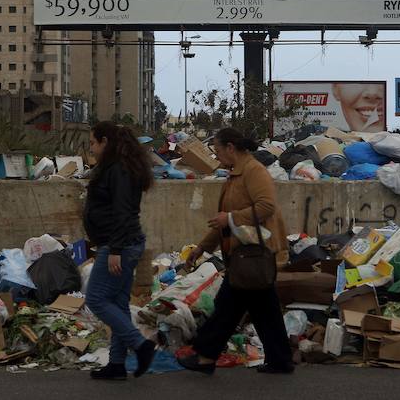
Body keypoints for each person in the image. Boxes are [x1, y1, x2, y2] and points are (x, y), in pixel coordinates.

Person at [178, 128, 293, 375]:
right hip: (244, 254)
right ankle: (280, 360)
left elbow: (266, 206)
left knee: (228, 308)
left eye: (218, 151)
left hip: (253, 254)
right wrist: (202, 247)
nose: (217, 157)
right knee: (264, 310)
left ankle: (206, 356)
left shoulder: (253, 171)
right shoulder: (235, 175)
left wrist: (230, 217)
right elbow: (222, 223)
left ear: (231, 148)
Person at [84, 121, 157, 380]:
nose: (91, 148)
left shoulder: (120, 170)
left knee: (95, 299)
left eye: (93, 142)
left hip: (120, 245)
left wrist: (114, 249)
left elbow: (123, 213)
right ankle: (116, 365)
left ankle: (140, 345)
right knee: (117, 303)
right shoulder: (116, 167)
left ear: (105, 142)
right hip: (121, 243)